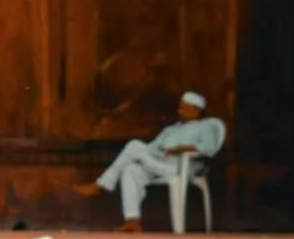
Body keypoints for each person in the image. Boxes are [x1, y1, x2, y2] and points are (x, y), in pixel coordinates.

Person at [82, 90, 226, 231]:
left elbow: (209, 148)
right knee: (131, 169)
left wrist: (181, 148)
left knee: (134, 145)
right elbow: (152, 147)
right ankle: (133, 221)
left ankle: (101, 184)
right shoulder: (171, 129)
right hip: (160, 163)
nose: (180, 110)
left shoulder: (205, 127)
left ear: (196, 111)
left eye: (185, 108)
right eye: (180, 107)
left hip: (181, 167)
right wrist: (152, 153)